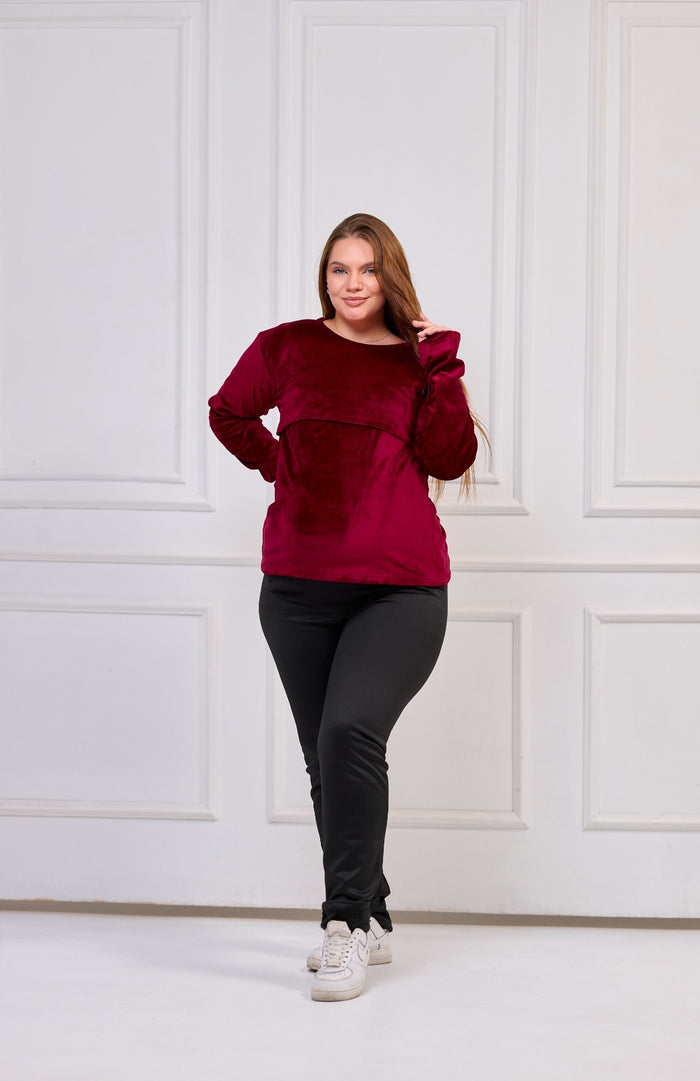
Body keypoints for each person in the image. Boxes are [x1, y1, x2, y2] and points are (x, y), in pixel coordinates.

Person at [208, 212, 486, 1002]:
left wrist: (443, 369)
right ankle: (376, 912)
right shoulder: (286, 347)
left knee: (348, 731)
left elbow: (452, 456)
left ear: (389, 276)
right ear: (324, 276)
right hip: (297, 586)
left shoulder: (418, 361)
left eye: (367, 268)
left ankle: (345, 925)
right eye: (339, 268)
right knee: (325, 758)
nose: (353, 283)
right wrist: (280, 465)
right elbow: (228, 411)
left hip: (401, 586)